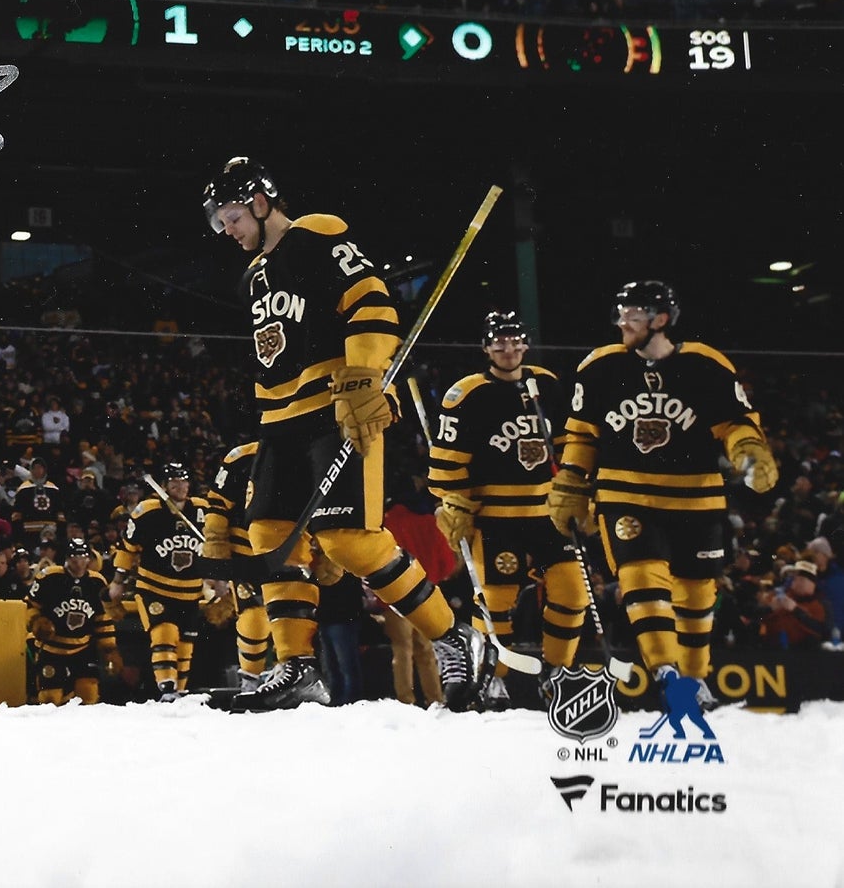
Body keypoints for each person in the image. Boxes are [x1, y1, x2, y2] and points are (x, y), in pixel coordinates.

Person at [202, 156, 478, 711]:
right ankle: (297, 667)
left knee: (347, 541)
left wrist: (364, 373)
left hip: (337, 408)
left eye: (232, 217)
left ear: (261, 202)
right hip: (279, 421)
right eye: (220, 223)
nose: (227, 231)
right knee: (270, 536)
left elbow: (370, 299)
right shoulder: (254, 275)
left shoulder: (316, 233)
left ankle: (450, 637)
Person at [551, 280, 775, 703]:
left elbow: (736, 423)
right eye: (620, 314)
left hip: (696, 497)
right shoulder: (599, 367)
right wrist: (571, 480)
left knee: (696, 593)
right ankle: (665, 670)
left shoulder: (706, 364)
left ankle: (693, 675)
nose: (622, 323)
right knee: (640, 576)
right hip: (624, 493)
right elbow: (582, 435)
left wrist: (748, 449)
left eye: (633, 315)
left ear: (661, 320)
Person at [426, 310, 592, 702]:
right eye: (499, 341)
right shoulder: (466, 394)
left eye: (514, 340)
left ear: (525, 344)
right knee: (495, 601)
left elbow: (571, 443)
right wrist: (454, 502)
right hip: (495, 517)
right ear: (486, 347)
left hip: (548, 514)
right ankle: (492, 676)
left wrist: (578, 487)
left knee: (573, 592)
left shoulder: (546, 384)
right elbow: (448, 459)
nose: (508, 348)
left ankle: (558, 674)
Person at [111, 461, 208, 701]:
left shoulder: (202, 509)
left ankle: (180, 691)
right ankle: (167, 689)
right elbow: (127, 548)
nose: (180, 486)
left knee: (186, 643)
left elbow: (216, 544)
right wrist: (118, 581)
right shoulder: (147, 511)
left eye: (184, 481)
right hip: (154, 589)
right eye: (174, 482)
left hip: (190, 592)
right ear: (163, 485)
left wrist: (218, 578)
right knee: (164, 633)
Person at [201, 438, 275, 701]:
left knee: (292, 614)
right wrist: (217, 560)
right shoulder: (241, 457)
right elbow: (217, 506)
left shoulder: (313, 452)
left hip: (292, 549)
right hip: (247, 552)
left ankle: (290, 671)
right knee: (254, 615)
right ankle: (251, 678)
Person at [27, 537, 115, 705]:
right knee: (50, 698)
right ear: (66, 558)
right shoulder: (49, 577)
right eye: (74, 556)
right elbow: (30, 605)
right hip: (52, 648)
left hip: (83, 648)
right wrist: (37, 622)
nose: (79, 562)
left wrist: (109, 648)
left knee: (89, 693)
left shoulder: (97, 582)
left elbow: (103, 618)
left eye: (83, 557)